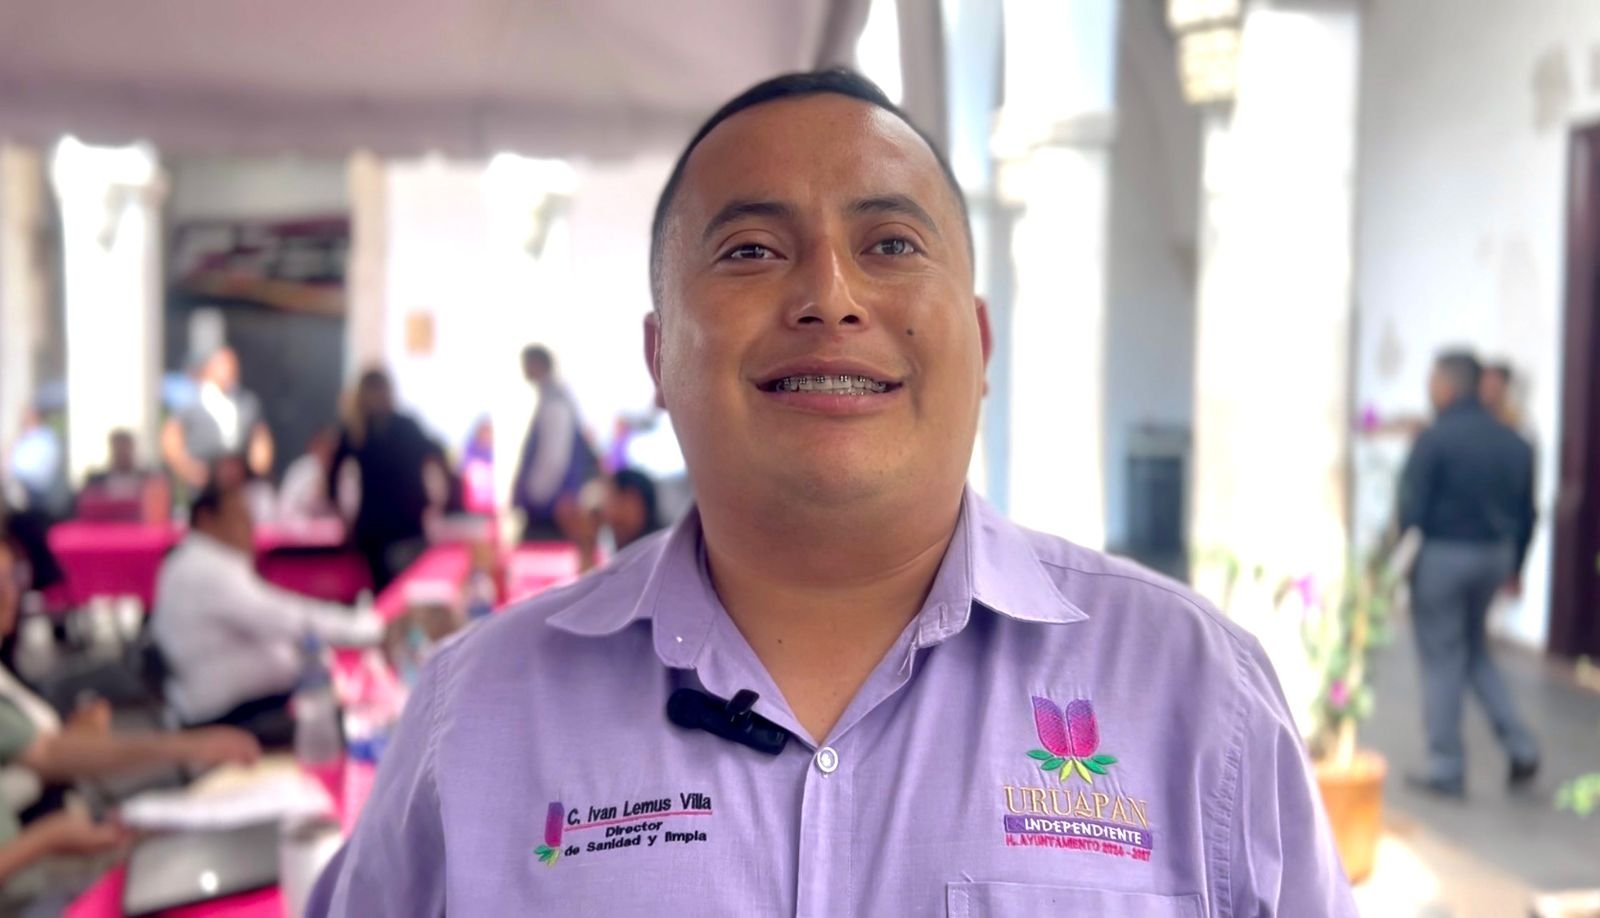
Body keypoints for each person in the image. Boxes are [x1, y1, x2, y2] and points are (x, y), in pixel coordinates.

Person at [311, 70, 1354, 916]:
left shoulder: (1194, 695)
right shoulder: (478, 716)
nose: (829, 296)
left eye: (891, 244)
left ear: (979, 343)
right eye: (752, 250)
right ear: (660, 355)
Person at [0, 539, 259, 908]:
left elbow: (44, 751)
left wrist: (190, 746)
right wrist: (45, 839)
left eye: (12, 578)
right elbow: (49, 754)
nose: (9, 594)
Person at [1398, 351, 1540, 797]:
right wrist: (1516, 568)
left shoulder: (1434, 439)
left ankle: (1447, 767)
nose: (1429, 388)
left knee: (1443, 658)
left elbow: (1411, 511)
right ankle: (1521, 746)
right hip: (1495, 557)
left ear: (1448, 386)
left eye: (1433, 380)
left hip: (1445, 557)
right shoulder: (1515, 443)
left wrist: (1401, 567)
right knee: (1475, 651)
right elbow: (1528, 514)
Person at [151, 484, 382, 747]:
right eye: (239, 517)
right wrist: (362, 627)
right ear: (206, 519)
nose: (249, 527)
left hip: (225, 701)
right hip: (226, 714)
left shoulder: (194, 560)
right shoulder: (204, 567)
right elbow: (285, 618)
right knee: (358, 718)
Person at [328, 370, 444, 591]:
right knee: (401, 592)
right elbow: (437, 455)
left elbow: (332, 479)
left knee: (394, 593)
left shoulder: (366, 430)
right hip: (392, 527)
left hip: (391, 527)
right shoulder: (362, 430)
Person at [512, 345, 599, 542]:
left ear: (537, 364)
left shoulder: (555, 402)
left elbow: (553, 458)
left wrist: (534, 498)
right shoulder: (553, 397)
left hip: (548, 510)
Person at [161, 346, 274, 491]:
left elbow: (260, 438)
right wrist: (189, 470)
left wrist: (257, 470)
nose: (228, 370)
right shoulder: (190, 403)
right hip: (204, 483)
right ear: (209, 367)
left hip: (241, 484)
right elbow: (171, 440)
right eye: (223, 365)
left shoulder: (246, 403)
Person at [79, 430, 170, 523]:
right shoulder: (95, 480)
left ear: (132, 448)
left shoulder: (148, 480)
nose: (122, 452)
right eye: (118, 447)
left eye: (125, 447)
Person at [277, 426, 339, 524]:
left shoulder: (339, 471)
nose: (327, 451)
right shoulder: (305, 469)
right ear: (314, 446)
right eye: (323, 446)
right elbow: (287, 505)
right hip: (298, 524)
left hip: (330, 527)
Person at [601, 468, 662, 551]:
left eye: (622, 503)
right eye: (611, 502)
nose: (614, 514)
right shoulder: (608, 547)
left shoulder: (661, 550)